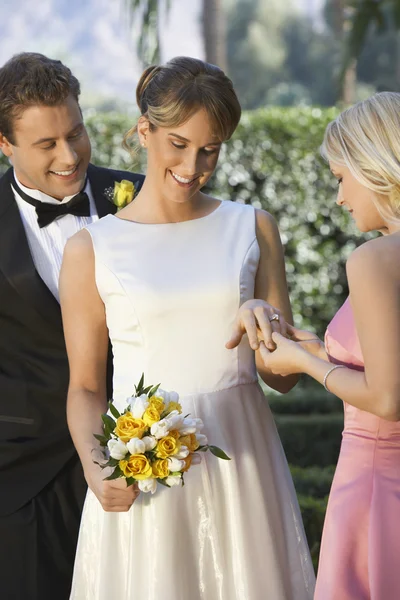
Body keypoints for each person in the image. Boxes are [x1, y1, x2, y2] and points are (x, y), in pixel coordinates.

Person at [60, 56, 315, 599]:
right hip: (142, 475)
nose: (192, 165)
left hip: (243, 466)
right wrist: (95, 464)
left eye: (210, 149)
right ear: (144, 131)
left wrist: (274, 333)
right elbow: (85, 387)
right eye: (178, 143)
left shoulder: (253, 227)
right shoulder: (92, 249)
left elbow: (284, 378)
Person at [0, 52, 144, 600]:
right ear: (4, 144)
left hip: (146, 463)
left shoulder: (143, 199)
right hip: (22, 482)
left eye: (76, 132)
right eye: (46, 144)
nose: (70, 154)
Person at [256, 92, 400, 600]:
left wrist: (300, 362)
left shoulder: (374, 260)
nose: (339, 197)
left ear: (375, 164)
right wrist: (321, 350)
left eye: (341, 178)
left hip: (378, 484)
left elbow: (387, 399)